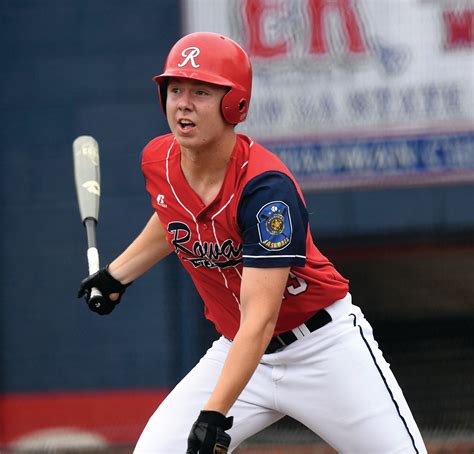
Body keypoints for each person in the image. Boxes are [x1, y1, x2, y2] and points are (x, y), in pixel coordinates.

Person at [78, 32, 427, 454]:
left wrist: (214, 415)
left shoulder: (266, 191)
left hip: (322, 350)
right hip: (239, 351)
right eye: (175, 89)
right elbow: (174, 215)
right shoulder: (159, 160)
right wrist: (118, 275)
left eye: (201, 92)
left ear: (234, 104)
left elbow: (259, 319)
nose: (183, 103)